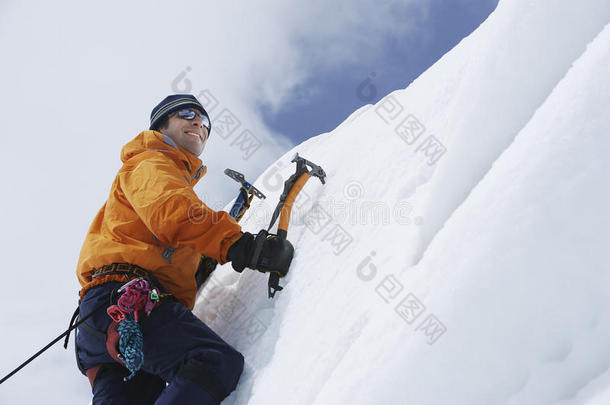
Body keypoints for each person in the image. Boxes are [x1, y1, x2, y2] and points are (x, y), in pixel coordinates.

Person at [74, 94, 294, 404]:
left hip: (103, 316)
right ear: (162, 126)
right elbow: (173, 211)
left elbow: (168, 231)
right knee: (213, 362)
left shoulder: (156, 178)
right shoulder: (151, 161)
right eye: (187, 114)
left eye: (205, 122)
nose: (198, 124)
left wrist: (200, 265)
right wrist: (240, 245)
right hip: (127, 301)